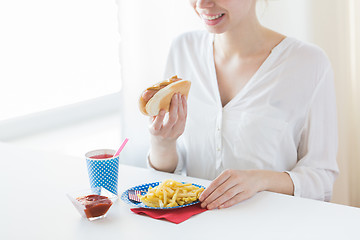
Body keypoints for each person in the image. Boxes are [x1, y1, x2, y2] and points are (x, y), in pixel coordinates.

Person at [147, 0, 339, 209]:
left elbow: (321, 179)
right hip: (196, 227)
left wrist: (260, 180)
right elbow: (170, 174)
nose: (202, 4)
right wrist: (162, 143)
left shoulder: (308, 63)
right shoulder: (183, 49)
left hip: (273, 226)